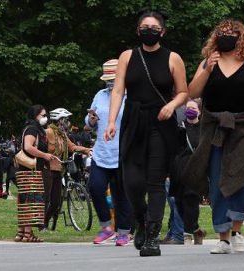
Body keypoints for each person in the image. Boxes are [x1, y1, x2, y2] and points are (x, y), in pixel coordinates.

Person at [102, 11, 189, 257]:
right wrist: (111, 121)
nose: (148, 29)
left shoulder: (173, 58)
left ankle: (152, 236)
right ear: (137, 30)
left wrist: (171, 106)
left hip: (162, 123)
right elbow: (118, 90)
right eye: (144, 26)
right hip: (133, 120)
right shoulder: (128, 56)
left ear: (162, 31)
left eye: (153, 26)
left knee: (155, 181)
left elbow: (183, 92)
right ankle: (140, 219)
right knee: (132, 181)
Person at [184, 18, 244, 255]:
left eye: (231, 32)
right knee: (218, 180)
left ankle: (238, 232)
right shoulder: (207, 62)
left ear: (241, 36)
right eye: (221, 32)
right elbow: (192, 93)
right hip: (215, 128)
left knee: (241, 178)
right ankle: (222, 237)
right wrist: (208, 69)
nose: (226, 35)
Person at [86, 59, 133, 246]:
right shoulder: (100, 95)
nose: (110, 83)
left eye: (113, 79)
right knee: (95, 187)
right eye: (107, 79)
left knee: (121, 194)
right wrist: (91, 119)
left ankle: (124, 231)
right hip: (101, 152)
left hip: (123, 152)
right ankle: (106, 227)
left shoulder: (130, 96)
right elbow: (88, 124)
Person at [43, 108, 92, 231]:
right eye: (65, 120)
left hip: (59, 169)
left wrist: (87, 150)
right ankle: (42, 225)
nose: (67, 123)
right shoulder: (47, 132)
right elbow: (40, 148)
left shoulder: (63, 135)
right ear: (59, 121)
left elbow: (72, 147)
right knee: (47, 199)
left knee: (56, 202)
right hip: (47, 169)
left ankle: (45, 222)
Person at [14, 105, 55, 242]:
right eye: (42, 115)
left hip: (26, 170)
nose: (45, 118)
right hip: (31, 170)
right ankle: (28, 234)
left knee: (25, 201)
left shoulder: (32, 128)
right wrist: (44, 155)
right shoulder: (32, 129)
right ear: (35, 115)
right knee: (32, 201)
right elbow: (28, 147)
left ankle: (21, 233)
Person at [170, 99, 208, 245]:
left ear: (199, 111)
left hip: (196, 172)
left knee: (191, 200)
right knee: (179, 203)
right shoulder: (180, 127)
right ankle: (197, 230)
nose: (189, 110)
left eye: (193, 108)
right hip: (179, 172)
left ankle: (187, 235)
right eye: (188, 108)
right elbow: (173, 150)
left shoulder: (204, 128)